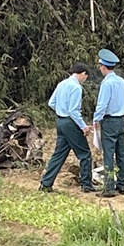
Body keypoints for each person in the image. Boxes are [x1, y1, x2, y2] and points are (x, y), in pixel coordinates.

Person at [39, 62, 95, 193]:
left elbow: (51, 103)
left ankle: (46, 183)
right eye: (86, 77)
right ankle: (86, 184)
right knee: (85, 154)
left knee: (59, 154)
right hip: (70, 123)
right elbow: (73, 111)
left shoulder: (62, 84)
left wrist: (60, 110)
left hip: (60, 121)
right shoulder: (76, 88)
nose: (85, 80)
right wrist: (83, 127)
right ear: (83, 74)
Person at [93, 49, 124, 198]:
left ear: (103, 67)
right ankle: (122, 184)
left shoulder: (106, 84)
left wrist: (96, 119)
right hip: (121, 119)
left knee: (109, 154)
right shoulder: (121, 81)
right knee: (121, 153)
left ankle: (109, 187)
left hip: (109, 121)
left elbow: (102, 104)